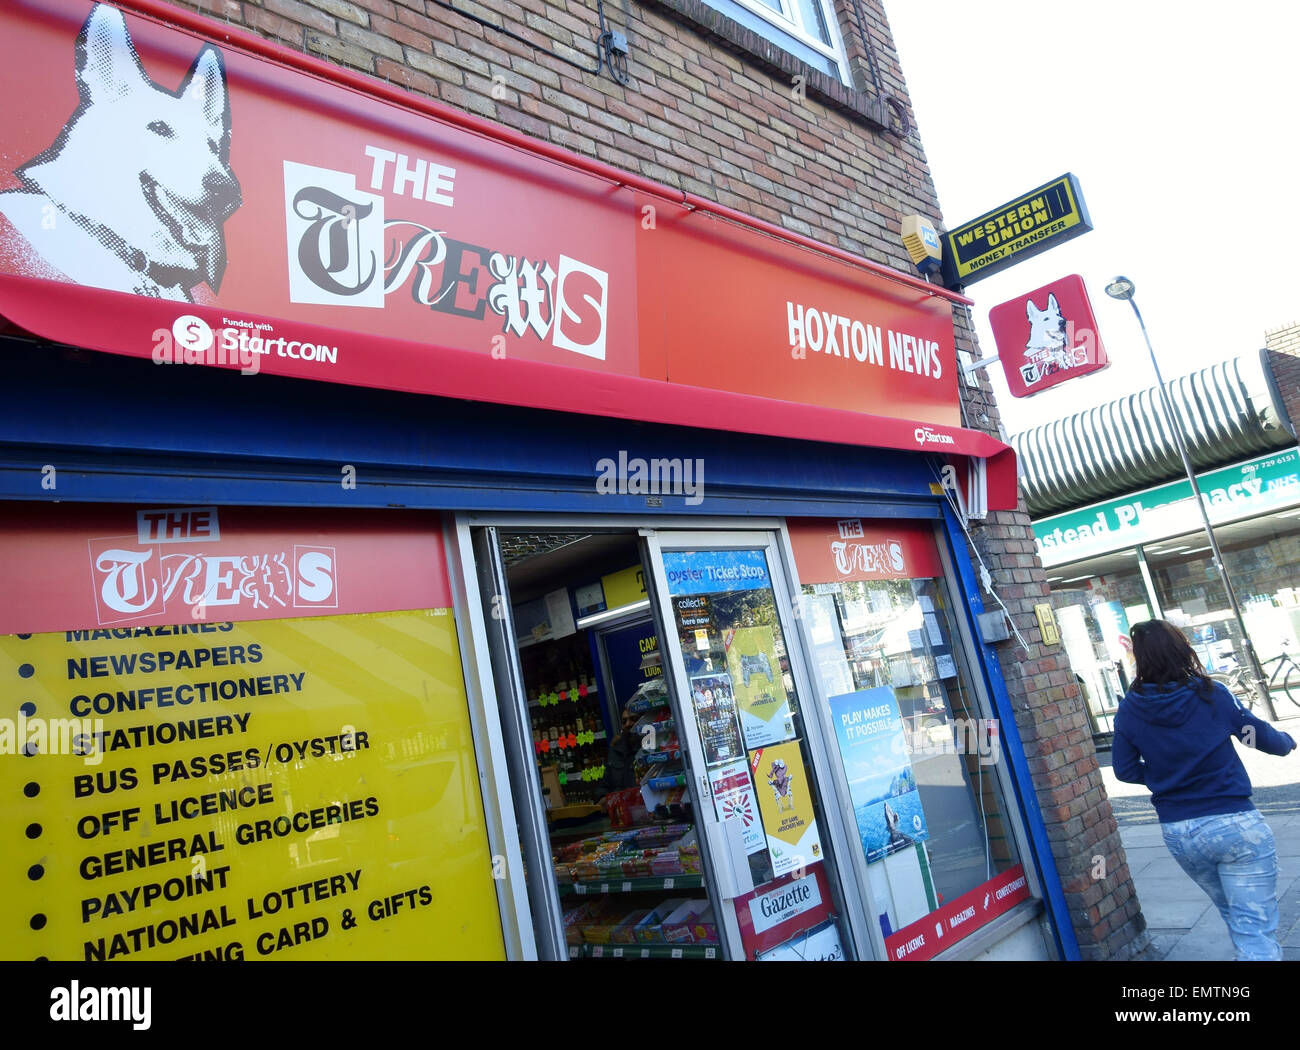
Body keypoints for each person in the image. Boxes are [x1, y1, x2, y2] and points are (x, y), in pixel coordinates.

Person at [1112, 619, 1296, 961]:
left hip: (1182, 833)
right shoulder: (1211, 695)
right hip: (1235, 826)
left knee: (1237, 916)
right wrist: (1284, 743)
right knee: (1254, 929)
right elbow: (1251, 735)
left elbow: (1124, 770)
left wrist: (1167, 777)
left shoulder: (1129, 710)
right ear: (1181, 649)